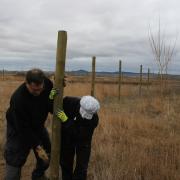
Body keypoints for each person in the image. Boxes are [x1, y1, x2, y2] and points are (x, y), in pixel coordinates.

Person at [4, 68, 54, 180]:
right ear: (26, 83)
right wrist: (36, 146)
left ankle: (38, 176)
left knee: (47, 154)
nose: (38, 92)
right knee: (15, 157)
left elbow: (50, 102)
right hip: (18, 128)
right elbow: (23, 129)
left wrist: (59, 86)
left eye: (40, 89)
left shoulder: (47, 85)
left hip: (38, 125)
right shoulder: (18, 99)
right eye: (34, 90)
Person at [56, 95, 100, 180]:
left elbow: (79, 134)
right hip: (67, 137)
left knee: (82, 167)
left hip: (83, 140)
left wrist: (66, 121)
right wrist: (51, 98)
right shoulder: (69, 102)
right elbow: (53, 107)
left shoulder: (94, 120)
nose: (85, 117)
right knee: (66, 163)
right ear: (81, 105)